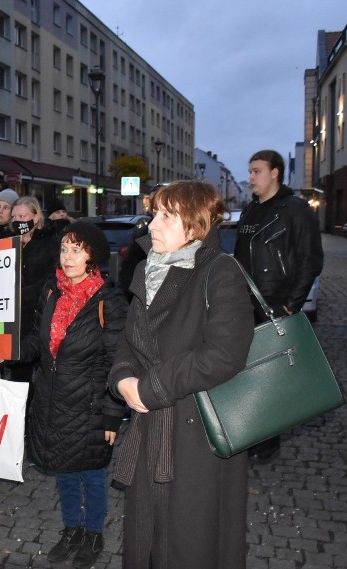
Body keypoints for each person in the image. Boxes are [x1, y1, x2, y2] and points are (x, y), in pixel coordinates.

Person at [107, 181, 254, 568]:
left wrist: (151, 387)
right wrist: (123, 380)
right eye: (154, 213)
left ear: (196, 225)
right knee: (150, 541)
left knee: (192, 544)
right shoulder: (148, 269)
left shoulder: (222, 272)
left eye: (166, 216)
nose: (152, 225)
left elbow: (224, 355)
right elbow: (130, 342)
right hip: (151, 429)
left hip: (197, 436)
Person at [0, 221, 127, 566]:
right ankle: (72, 530)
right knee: (64, 469)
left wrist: (112, 413)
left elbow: (117, 361)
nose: (68, 257)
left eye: (76, 250)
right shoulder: (52, 290)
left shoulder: (107, 300)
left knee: (92, 474)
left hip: (91, 403)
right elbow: (38, 341)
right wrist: (10, 351)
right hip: (52, 400)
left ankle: (92, 534)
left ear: (91, 256)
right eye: (65, 249)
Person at [233, 149, 323, 462]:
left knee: (270, 375)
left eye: (257, 171)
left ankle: (267, 441)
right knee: (245, 372)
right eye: (250, 171)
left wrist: (291, 304)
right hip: (244, 303)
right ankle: (249, 431)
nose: (251, 177)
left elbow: (310, 259)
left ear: (275, 173)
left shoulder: (294, 210)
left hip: (274, 303)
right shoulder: (249, 211)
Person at [8, 196, 60, 384]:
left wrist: (20, 294)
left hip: (38, 315)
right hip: (14, 318)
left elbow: (51, 279)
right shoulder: (8, 244)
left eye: (23, 216)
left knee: (43, 374)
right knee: (18, 375)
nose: (18, 221)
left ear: (36, 217)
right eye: (14, 217)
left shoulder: (49, 242)